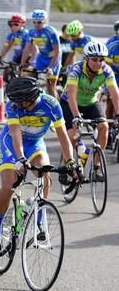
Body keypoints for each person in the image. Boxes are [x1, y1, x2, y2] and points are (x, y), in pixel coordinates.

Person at [0, 77, 76, 256]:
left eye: (22, 104)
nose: (19, 107)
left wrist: (71, 162)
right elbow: (15, 135)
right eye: (17, 104)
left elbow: (63, 136)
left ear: (32, 98)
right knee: (9, 185)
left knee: (45, 174)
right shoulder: (13, 106)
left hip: (35, 143)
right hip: (12, 144)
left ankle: (39, 221)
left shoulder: (51, 105)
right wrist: (20, 159)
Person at [60, 41, 119, 181]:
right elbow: (71, 96)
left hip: (91, 102)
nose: (98, 62)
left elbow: (115, 94)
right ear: (86, 58)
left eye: (101, 59)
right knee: (72, 133)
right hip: (70, 103)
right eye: (94, 59)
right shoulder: (77, 70)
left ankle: (96, 167)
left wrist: (118, 113)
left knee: (104, 127)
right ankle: (65, 165)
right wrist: (76, 116)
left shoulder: (106, 71)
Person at [20, 10, 61, 98]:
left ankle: (57, 108)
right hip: (41, 58)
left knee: (51, 87)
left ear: (45, 21)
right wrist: (22, 63)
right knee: (34, 82)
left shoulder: (51, 32)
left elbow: (57, 51)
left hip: (53, 59)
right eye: (34, 22)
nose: (36, 24)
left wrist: (50, 67)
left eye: (39, 22)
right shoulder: (31, 33)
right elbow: (27, 49)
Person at [106, 20, 119, 118]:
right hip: (114, 74)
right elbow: (108, 64)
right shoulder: (111, 44)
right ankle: (109, 128)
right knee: (111, 100)